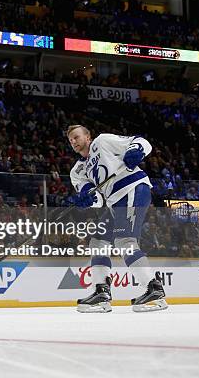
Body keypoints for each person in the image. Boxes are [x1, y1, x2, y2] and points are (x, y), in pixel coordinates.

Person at [67, 125, 167, 313]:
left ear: (88, 137)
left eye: (76, 137)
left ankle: (154, 288)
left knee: (125, 241)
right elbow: (96, 200)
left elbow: (140, 142)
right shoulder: (77, 171)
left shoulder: (102, 141)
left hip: (132, 188)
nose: (73, 141)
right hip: (115, 202)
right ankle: (101, 291)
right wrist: (85, 199)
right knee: (97, 243)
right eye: (70, 140)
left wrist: (136, 151)